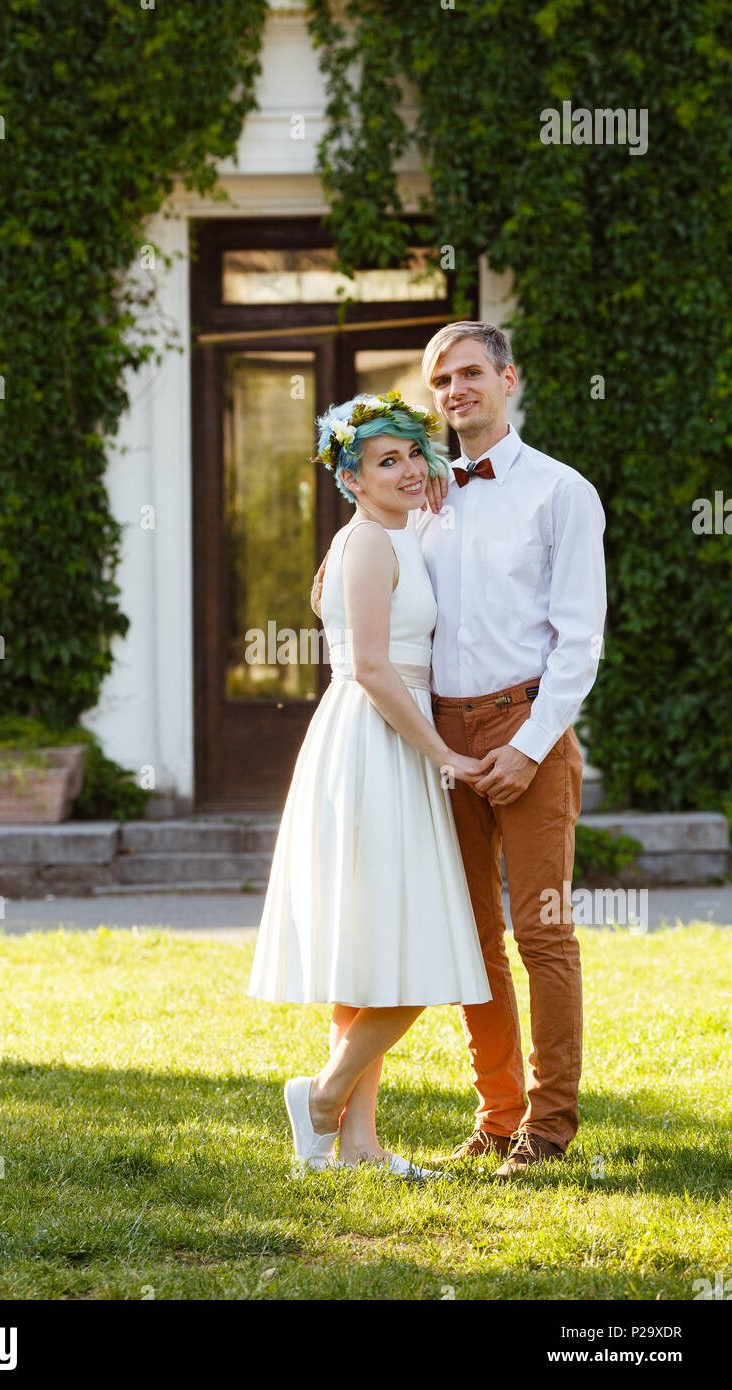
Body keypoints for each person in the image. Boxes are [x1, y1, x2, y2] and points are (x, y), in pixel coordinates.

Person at [311, 323, 607, 1177]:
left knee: (541, 932)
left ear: (509, 379)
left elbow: (579, 642)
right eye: (442, 379)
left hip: (527, 728)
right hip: (436, 738)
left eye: (472, 372)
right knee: (471, 937)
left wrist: (532, 742)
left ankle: (548, 1128)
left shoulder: (561, 493)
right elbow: (367, 597)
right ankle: (498, 1112)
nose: (456, 390)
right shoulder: (417, 494)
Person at [247, 391, 491, 1178]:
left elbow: (428, 503)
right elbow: (377, 670)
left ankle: (357, 1145)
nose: (411, 470)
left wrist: (436, 481)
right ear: (349, 478)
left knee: (376, 949)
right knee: (413, 950)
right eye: (389, 461)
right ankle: (320, 1100)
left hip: (396, 739)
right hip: (376, 744)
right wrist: (445, 755)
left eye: (415, 454)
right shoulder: (364, 547)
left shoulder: (398, 533)